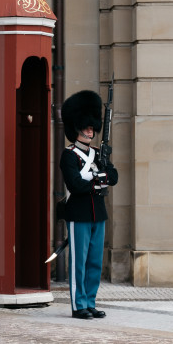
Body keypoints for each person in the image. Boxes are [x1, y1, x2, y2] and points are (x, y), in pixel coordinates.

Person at [59, 89, 117, 320]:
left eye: (92, 127)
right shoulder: (69, 155)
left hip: (98, 214)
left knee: (94, 262)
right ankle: (78, 304)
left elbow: (113, 176)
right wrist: (97, 180)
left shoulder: (97, 154)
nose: (90, 130)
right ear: (77, 128)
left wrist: (100, 175)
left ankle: (90, 301)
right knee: (79, 263)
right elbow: (75, 185)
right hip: (79, 213)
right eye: (86, 127)